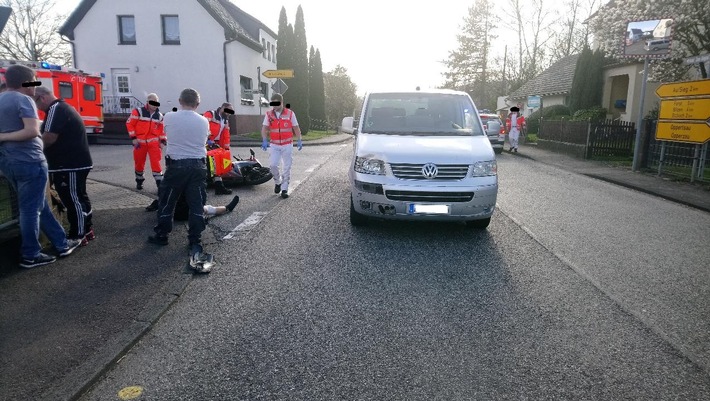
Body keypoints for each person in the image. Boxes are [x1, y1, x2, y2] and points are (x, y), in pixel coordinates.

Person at [0, 65, 81, 268]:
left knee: (40, 204)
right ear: (26, 83)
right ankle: (30, 254)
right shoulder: (23, 99)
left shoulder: (1, 99)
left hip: (9, 161)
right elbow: (32, 131)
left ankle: (61, 244)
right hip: (29, 160)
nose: (35, 88)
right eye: (33, 82)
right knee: (30, 210)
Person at [148, 88, 212, 272]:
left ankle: (162, 235)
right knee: (196, 203)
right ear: (197, 104)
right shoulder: (204, 121)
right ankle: (194, 239)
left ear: (179, 100)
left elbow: (164, 132)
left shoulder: (169, 117)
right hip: (198, 166)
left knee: (167, 201)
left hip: (176, 166)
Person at [34, 86, 95, 246]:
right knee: (80, 197)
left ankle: (77, 234)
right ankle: (87, 229)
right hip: (76, 163)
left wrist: (33, 149)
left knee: (72, 200)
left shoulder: (56, 108)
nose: (36, 106)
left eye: (35, 102)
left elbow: (50, 137)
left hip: (68, 164)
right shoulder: (64, 107)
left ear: (42, 98)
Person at [261, 93, 302, 199]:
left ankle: (284, 189)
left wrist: (299, 140)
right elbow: (265, 128)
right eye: (273, 104)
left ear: (282, 102)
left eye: (276, 104)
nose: (274, 106)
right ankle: (277, 182)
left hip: (287, 144)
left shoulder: (290, 113)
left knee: (286, 167)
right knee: (273, 165)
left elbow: (296, 127)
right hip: (274, 145)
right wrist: (264, 140)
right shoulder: (269, 114)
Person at [126, 93, 165, 191]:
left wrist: (163, 141)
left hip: (154, 143)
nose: (155, 104)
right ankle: (139, 181)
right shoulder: (138, 112)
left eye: (156, 102)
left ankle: (160, 184)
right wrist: (134, 138)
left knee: (156, 163)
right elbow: (129, 124)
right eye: (152, 102)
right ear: (147, 102)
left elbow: (162, 130)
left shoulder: (159, 116)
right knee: (139, 163)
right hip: (140, 143)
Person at [203, 103, 234, 195]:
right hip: (206, 143)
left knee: (218, 165)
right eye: (227, 111)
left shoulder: (225, 120)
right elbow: (203, 127)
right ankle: (204, 188)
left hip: (216, 145)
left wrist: (226, 148)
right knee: (208, 166)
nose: (228, 114)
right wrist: (207, 140)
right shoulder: (210, 114)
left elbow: (226, 134)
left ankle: (219, 186)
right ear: (222, 108)